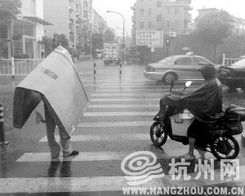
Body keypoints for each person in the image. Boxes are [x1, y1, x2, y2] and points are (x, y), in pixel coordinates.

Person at [155, 64, 222, 160]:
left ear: (207, 73)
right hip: (212, 110)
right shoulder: (214, 81)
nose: (202, 74)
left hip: (206, 113)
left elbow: (195, 96)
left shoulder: (210, 84)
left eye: (203, 72)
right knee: (196, 128)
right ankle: (201, 149)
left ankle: (190, 154)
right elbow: (198, 94)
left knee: (191, 131)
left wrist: (179, 98)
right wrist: (183, 94)